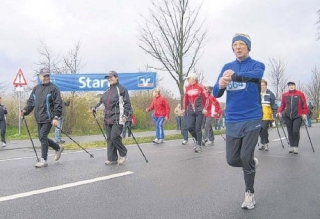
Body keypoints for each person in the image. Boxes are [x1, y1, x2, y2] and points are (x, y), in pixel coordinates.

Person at [213, 33, 264, 210]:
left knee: (244, 155)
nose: (238, 47)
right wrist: (220, 84)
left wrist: (234, 76)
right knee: (232, 159)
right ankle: (251, 162)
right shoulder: (227, 67)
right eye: (235, 44)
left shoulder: (257, 65)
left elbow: (255, 76)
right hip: (233, 118)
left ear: (248, 47)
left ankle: (249, 194)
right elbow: (215, 94)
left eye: (242, 44)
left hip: (252, 117)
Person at [21, 68, 64, 168]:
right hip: (39, 117)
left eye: (48, 76)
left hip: (49, 118)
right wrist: (25, 111)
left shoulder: (54, 88)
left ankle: (43, 160)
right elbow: (31, 102)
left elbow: (58, 104)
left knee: (43, 137)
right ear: (40, 77)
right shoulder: (36, 88)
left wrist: (56, 117)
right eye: (44, 76)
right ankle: (58, 148)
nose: (46, 78)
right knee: (41, 137)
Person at [92, 70, 132, 165]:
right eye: (108, 78)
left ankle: (123, 153)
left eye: (111, 77)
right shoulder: (106, 90)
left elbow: (127, 104)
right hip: (107, 118)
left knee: (115, 137)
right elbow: (102, 103)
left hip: (119, 118)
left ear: (116, 77)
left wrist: (125, 115)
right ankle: (112, 158)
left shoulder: (122, 89)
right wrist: (95, 108)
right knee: (109, 139)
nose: (110, 79)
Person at [277, 81, 308, 154]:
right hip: (288, 116)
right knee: (290, 131)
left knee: (295, 130)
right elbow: (282, 105)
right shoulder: (285, 95)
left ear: (295, 86)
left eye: (292, 85)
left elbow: (304, 105)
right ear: (288, 87)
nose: (291, 86)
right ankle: (291, 146)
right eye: (290, 85)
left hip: (297, 116)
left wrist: (304, 113)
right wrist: (279, 112)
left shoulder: (300, 94)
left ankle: (296, 146)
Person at [183, 73, 209, 152]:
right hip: (190, 111)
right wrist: (184, 109)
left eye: (189, 78)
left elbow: (207, 98)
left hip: (199, 111)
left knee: (198, 128)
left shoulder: (200, 87)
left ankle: (199, 145)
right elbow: (185, 99)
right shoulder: (187, 88)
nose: (187, 80)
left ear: (194, 79)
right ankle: (198, 140)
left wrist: (205, 108)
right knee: (189, 127)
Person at [258, 79, 277, 151]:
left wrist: (274, 114)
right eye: (261, 85)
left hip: (267, 115)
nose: (262, 87)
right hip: (258, 115)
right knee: (259, 129)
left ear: (266, 86)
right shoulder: (257, 93)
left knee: (264, 128)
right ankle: (262, 143)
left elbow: (274, 105)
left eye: (263, 85)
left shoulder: (270, 94)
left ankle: (265, 143)